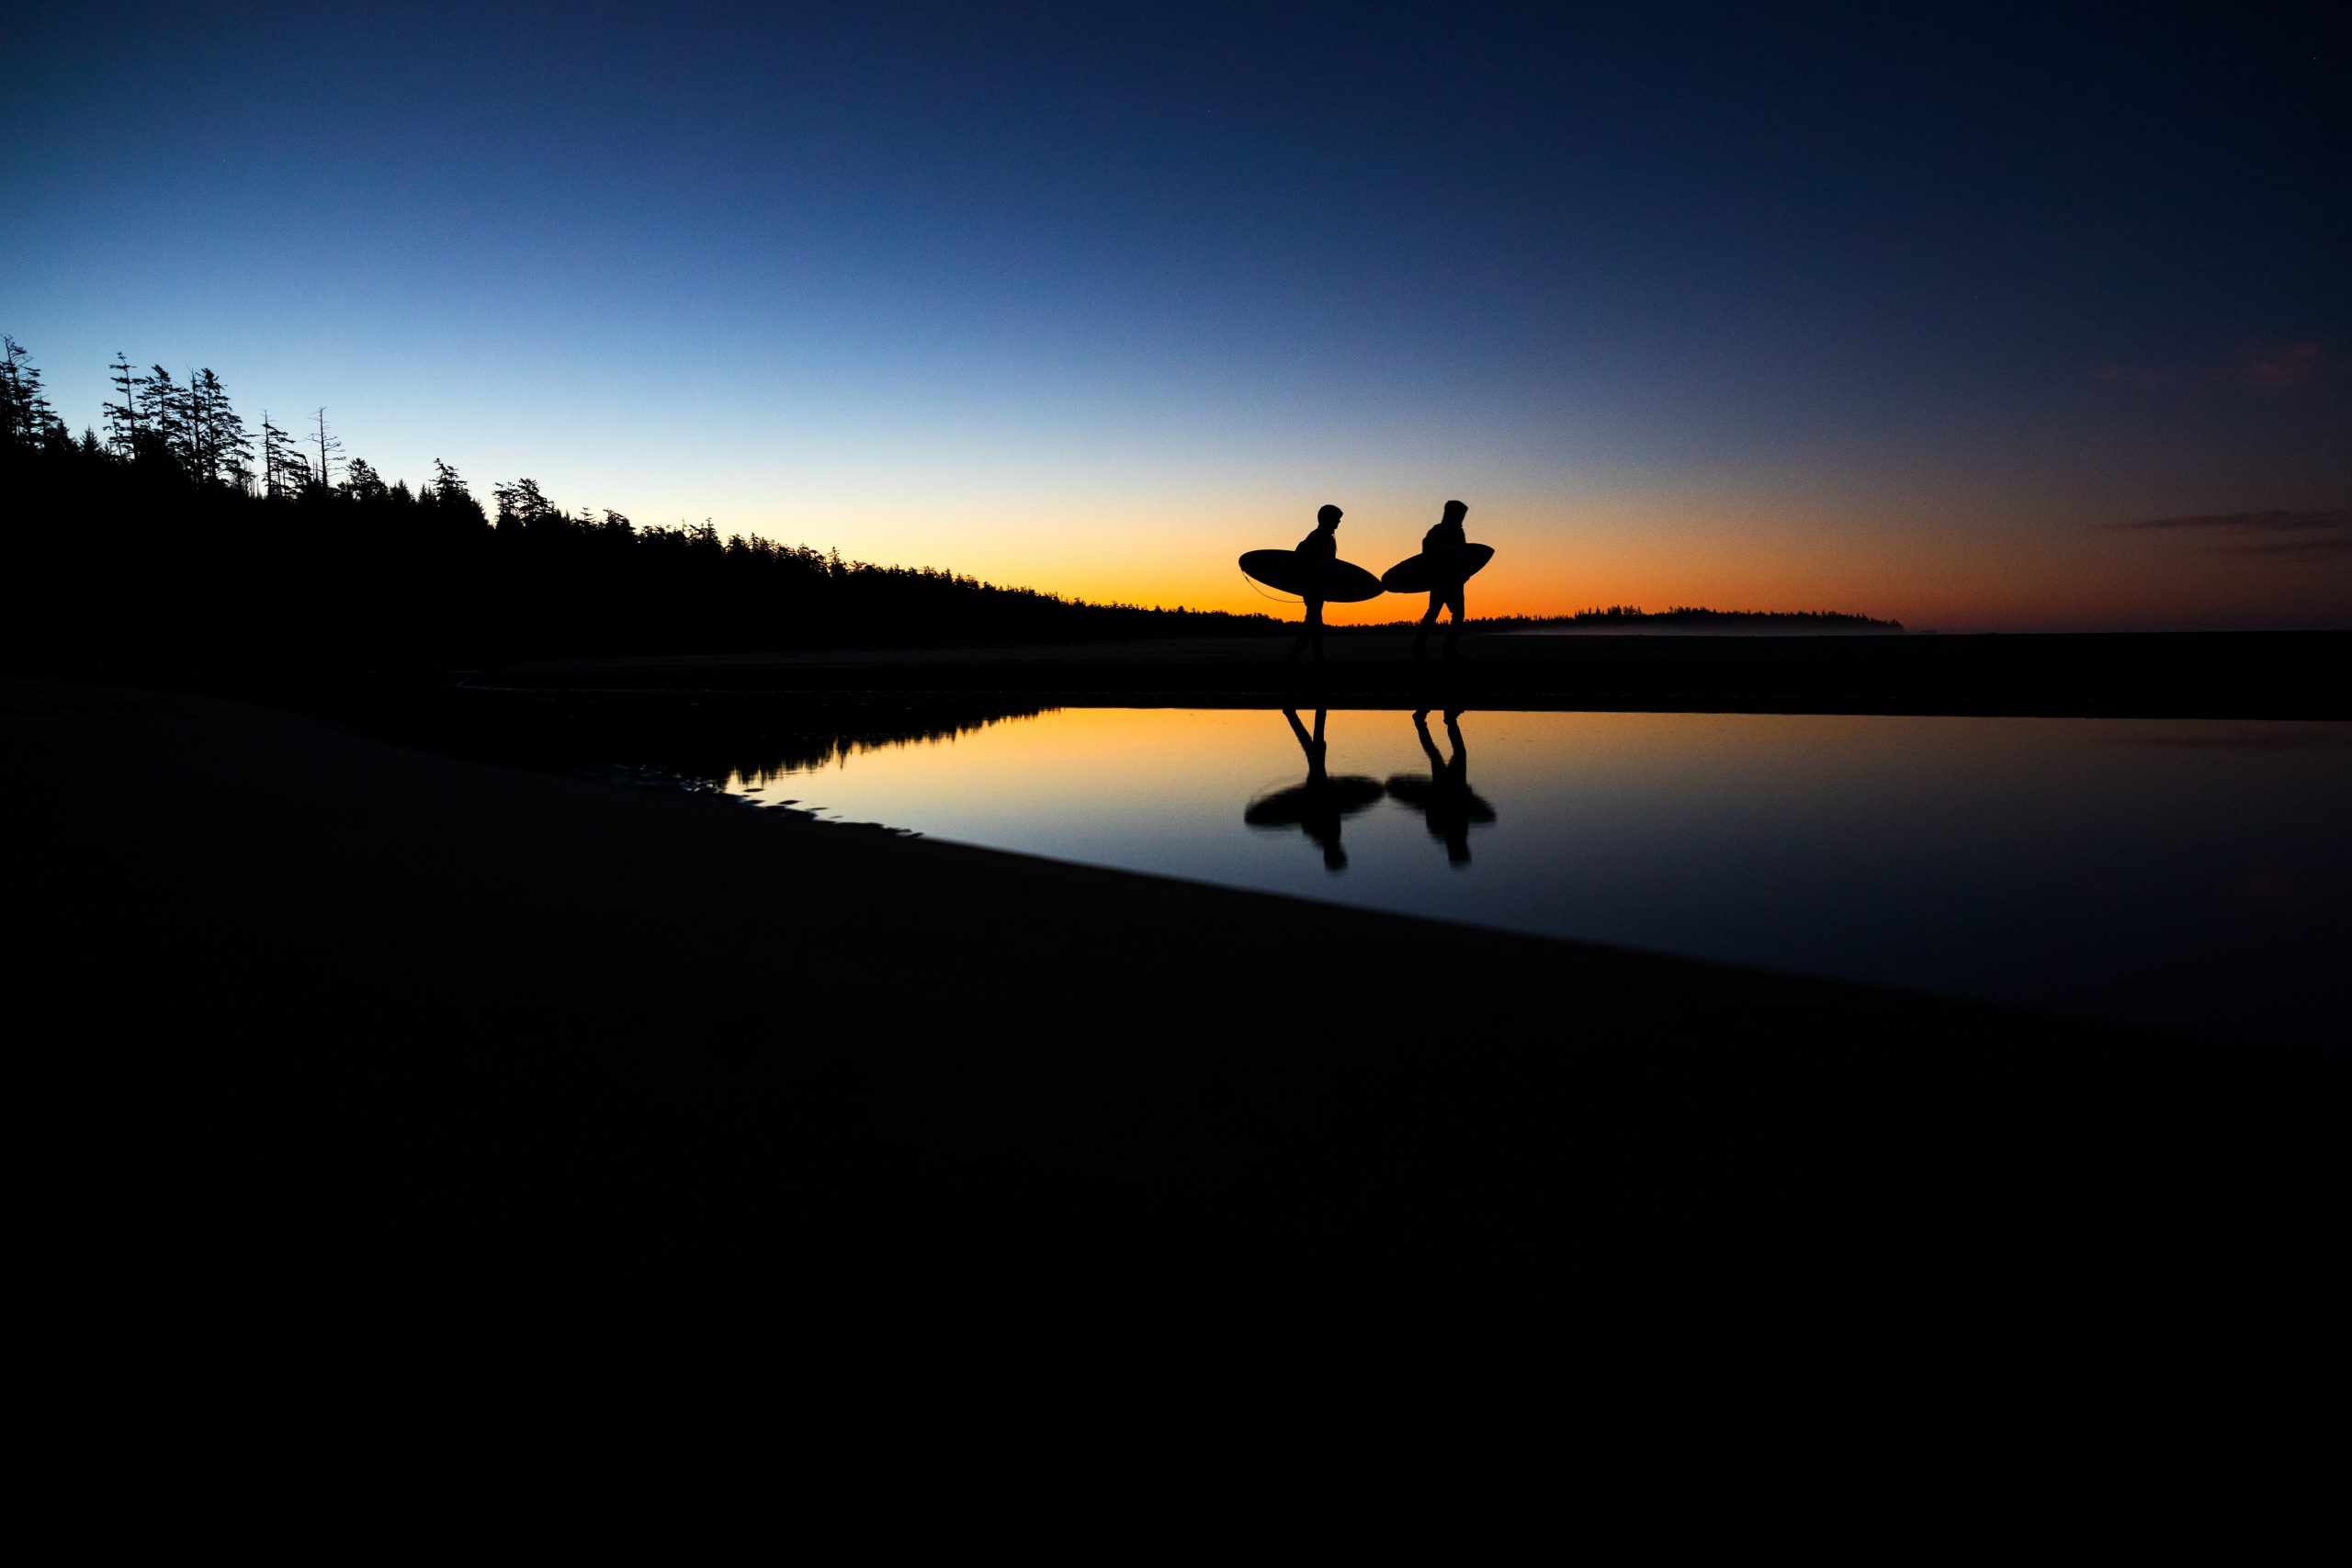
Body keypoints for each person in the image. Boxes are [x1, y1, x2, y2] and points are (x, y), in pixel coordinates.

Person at [1412, 499, 1471, 661]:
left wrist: (1464, 574)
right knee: (1435, 614)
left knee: (1455, 614)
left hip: (1455, 581)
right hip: (1440, 580)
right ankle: (1421, 648)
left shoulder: (1458, 532)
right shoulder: (1436, 532)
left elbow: (1462, 555)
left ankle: (1447, 648)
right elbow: (1428, 556)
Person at [1285, 503, 1343, 665]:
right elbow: (1322, 565)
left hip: (1312, 588)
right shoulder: (1322, 538)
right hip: (1315, 588)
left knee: (1312, 625)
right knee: (1314, 625)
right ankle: (1313, 663)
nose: (1338, 524)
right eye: (1337, 520)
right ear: (1328, 519)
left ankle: (1302, 661)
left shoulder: (1314, 537)